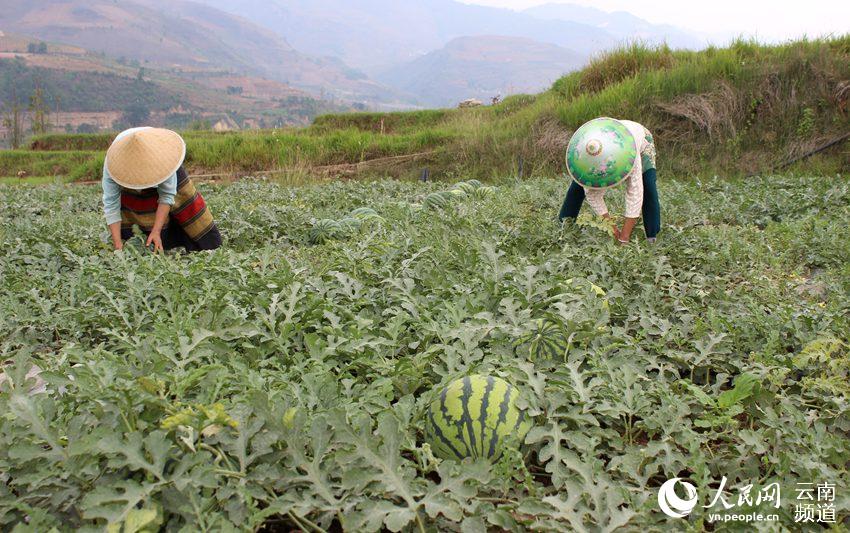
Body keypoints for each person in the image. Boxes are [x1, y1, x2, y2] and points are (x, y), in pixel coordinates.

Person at [102, 127, 222, 252]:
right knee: (135, 209)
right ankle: (144, 247)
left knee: (186, 207)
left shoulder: (164, 160)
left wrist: (156, 231)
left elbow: (167, 196)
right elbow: (111, 205)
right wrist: (117, 245)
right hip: (125, 165)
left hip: (157, 154)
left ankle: (206, 248)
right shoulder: (113, 166)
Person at [558, 118, 661, 244]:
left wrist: (624, 236)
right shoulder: (581, 152)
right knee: (579, 185)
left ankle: (652, 237)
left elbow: (635, 193)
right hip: (602, 140)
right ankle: (564, 228)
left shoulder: (629, 154)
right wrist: (612, 229)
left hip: (640, 139)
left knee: (648, 185)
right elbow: (592, 195)